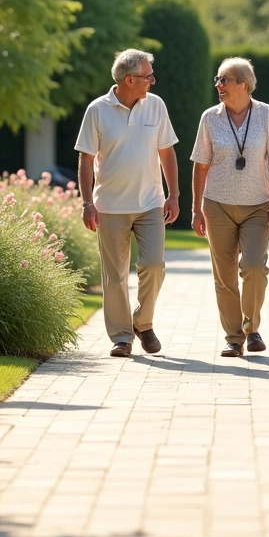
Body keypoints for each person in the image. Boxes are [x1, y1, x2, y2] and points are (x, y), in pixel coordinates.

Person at [76, 49, 180, 358]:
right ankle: (122, 337)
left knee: (153, 265)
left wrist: (173, 195)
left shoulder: (156, 106)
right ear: (129, 79)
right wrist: (87, 203)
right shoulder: (97, 110)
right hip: (109, 206)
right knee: (115, 276)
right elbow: (86, 158)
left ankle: (143, 323)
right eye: (148, 76)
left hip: (150, 204)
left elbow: (167, 152)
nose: (153, 81)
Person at [190, 58, 269, 357]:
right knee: (225, 275)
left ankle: (252, 328)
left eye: (225, 80)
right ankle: (234, 338)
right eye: (217, 80)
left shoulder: (267, 114)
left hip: (258, 204)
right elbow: (200, 165)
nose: (218, 85)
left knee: (255, 268)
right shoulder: (210, 117)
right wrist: (196, 208)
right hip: (217, 204)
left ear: (244, 83)